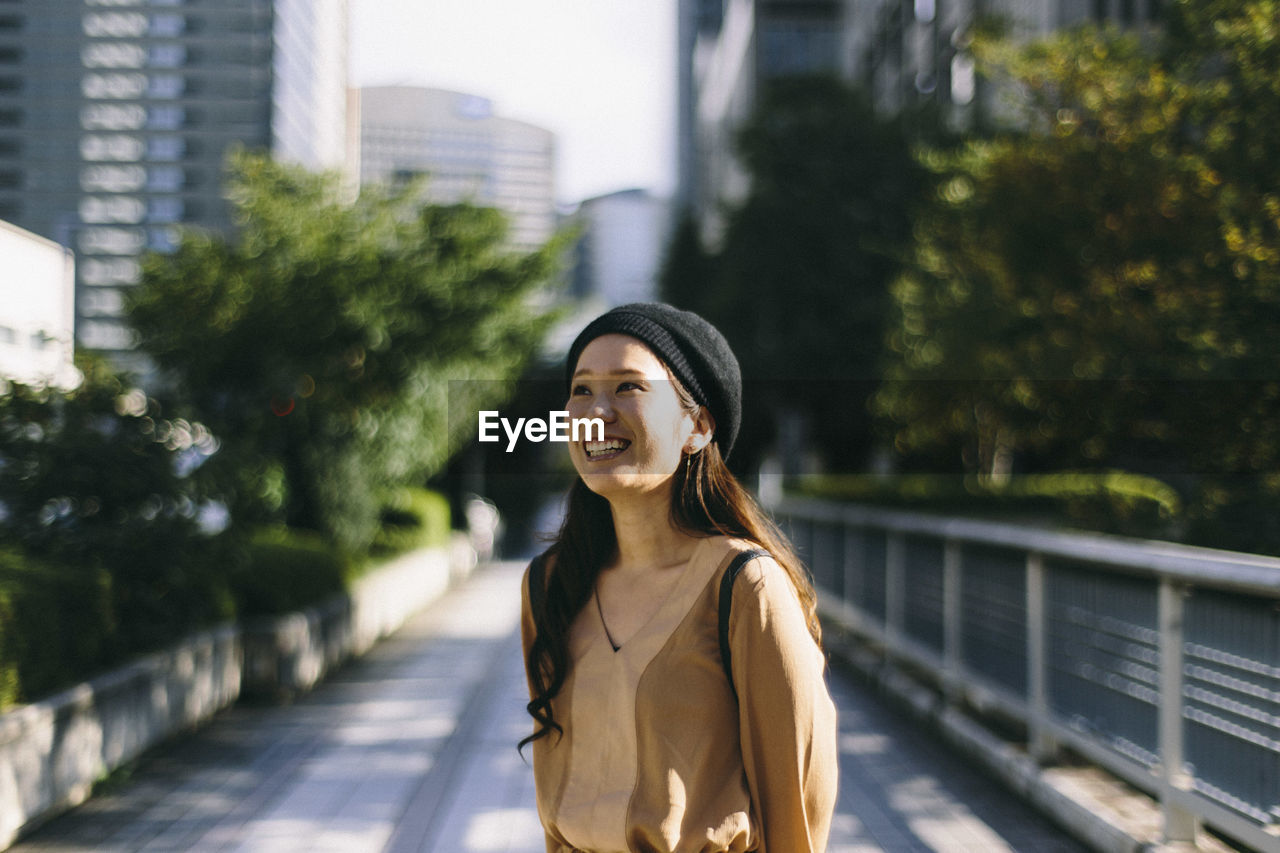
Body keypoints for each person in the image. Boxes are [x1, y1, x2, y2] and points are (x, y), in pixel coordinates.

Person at [520, 302, 838, 853]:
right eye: (581, 390)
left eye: (628, 388)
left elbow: (798, 812)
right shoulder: (550, 585)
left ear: (697, 425)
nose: (596, 412)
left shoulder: (745, 587)